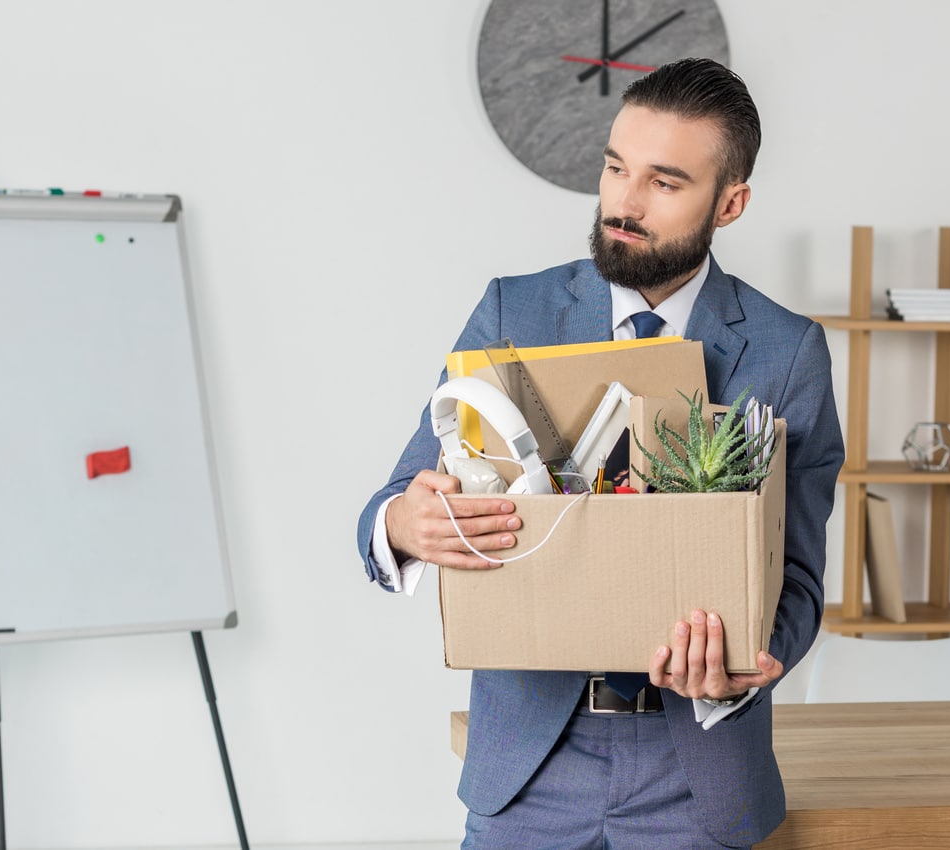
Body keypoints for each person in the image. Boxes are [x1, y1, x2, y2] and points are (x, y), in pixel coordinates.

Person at [357, 57, 844, 850]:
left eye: (664, 181)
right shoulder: (513, 310)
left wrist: (749, 661)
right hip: (530, 769)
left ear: (731, 202)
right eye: (616, 167)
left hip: (698, 771)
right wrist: (405, 528)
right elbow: (387, 505)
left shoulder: (788, 353)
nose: (624, 200)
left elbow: (796, 578)